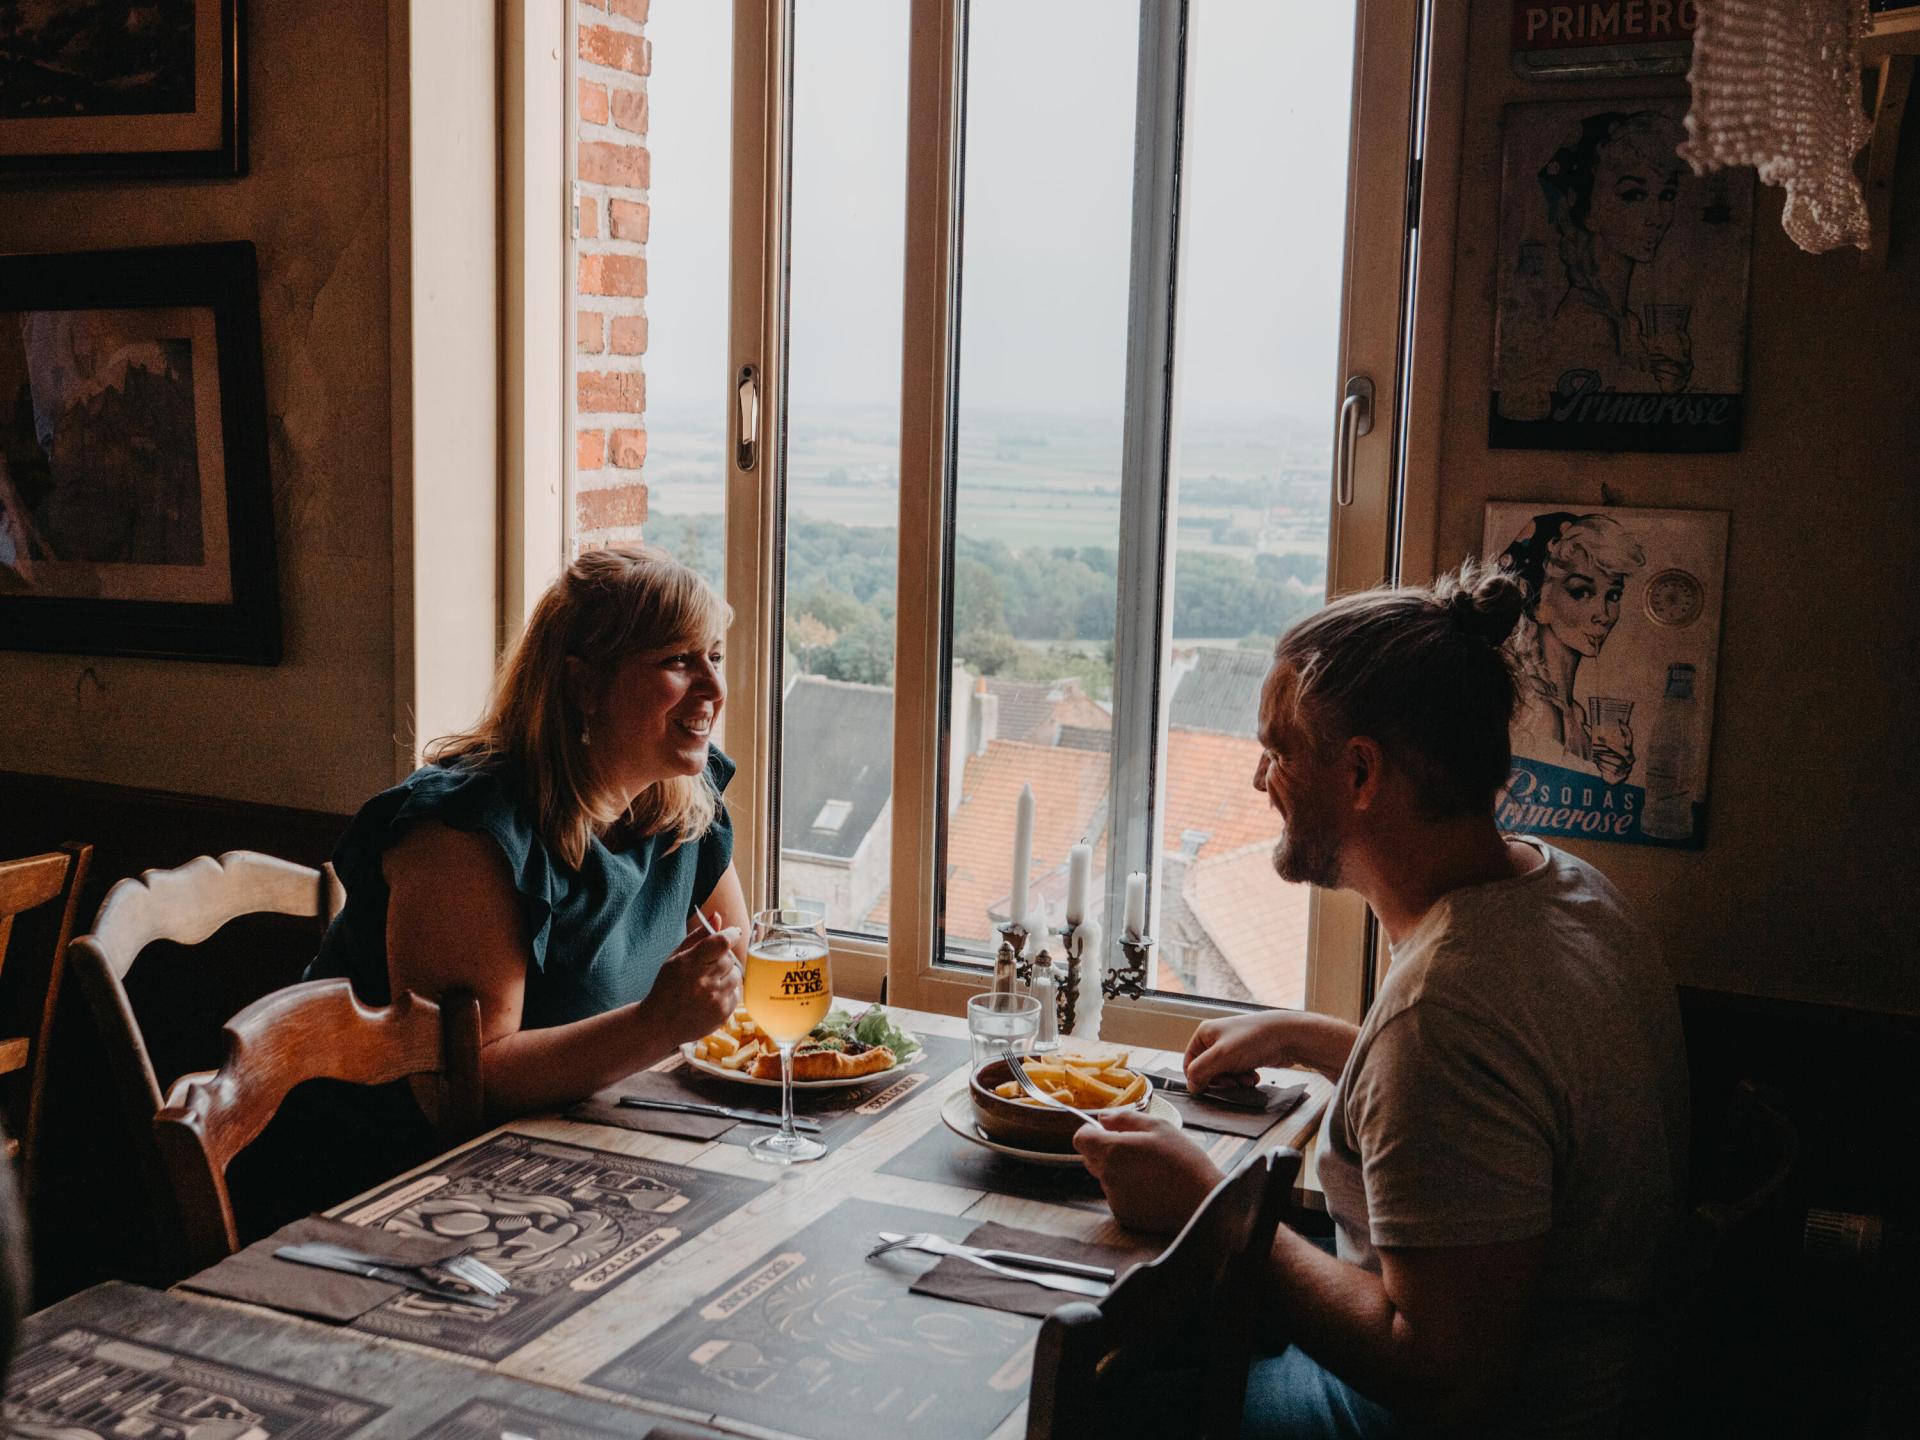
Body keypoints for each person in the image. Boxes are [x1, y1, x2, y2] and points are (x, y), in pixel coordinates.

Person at [1075, 563, 1689, 1438]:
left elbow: (1444, 1379)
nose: (1260, 780)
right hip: (1604, 1376)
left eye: (1279, 750)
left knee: (1100, 1400)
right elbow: (1500, 1103)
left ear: (1360, 774)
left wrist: (1213, 1210)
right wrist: (1307, 1038)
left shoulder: (1445, 1014)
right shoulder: (1565, 890)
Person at [306, 545, 746, 1124]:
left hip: (577, 1132)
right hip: (383, 1169)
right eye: (678, 660)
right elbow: (459, 1087)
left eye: (713, 655)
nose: (714, 688)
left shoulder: (685, 795)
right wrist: (654, 1025)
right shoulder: (466, 830)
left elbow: (733, 961)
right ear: (583, 685)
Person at [1538, 110, 1690, 397]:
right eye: (1633, 195)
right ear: (1586, 209)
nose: (1657, 217)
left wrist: (1670, 388)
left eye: (1667, 195)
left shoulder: (1626, 321)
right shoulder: (1589, 324)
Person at [1496, 511, 1647, 785]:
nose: (1603, 613)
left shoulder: (1571, 712)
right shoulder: (1541, 712)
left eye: (1613, 595)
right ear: (1537, 601)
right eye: (1582, 592)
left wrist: (1608, 776)